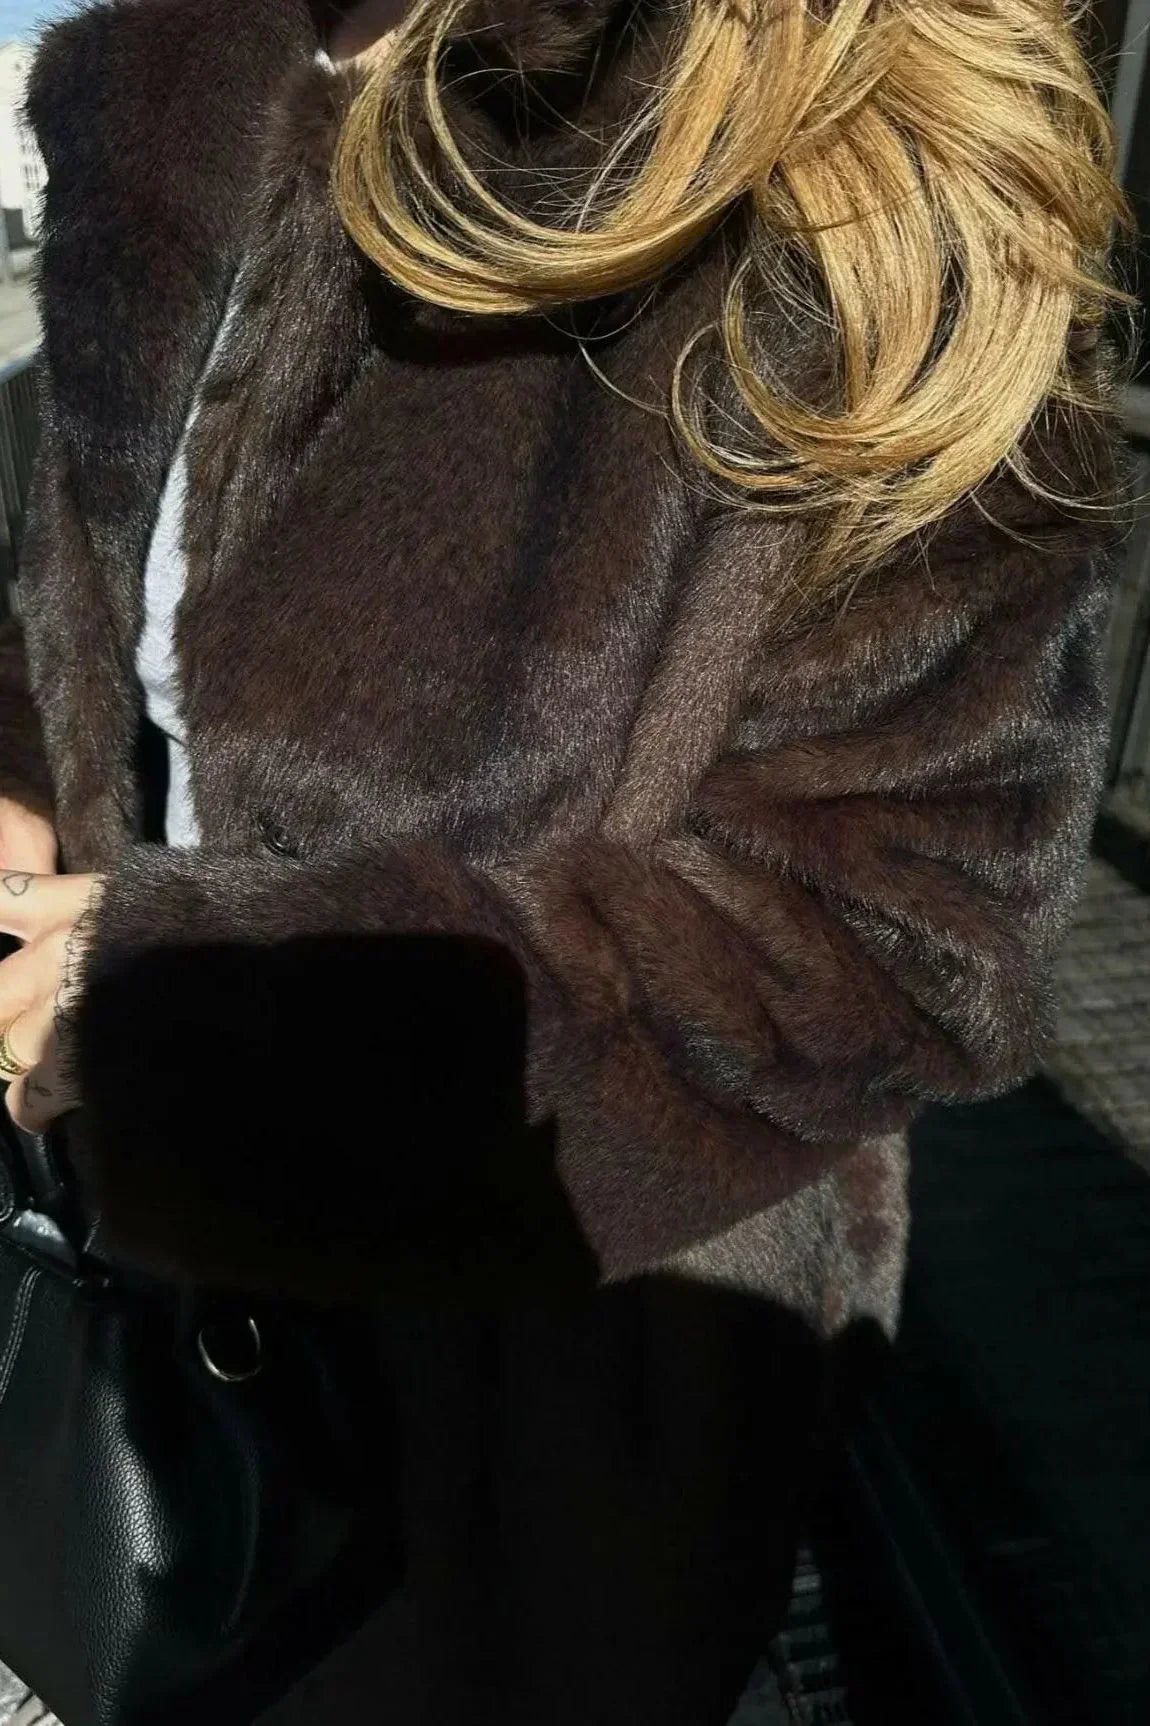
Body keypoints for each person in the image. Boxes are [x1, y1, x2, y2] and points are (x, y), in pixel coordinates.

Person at [0, 1, 1127, 1721]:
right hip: (139, 1325)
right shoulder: (164, 77)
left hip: (529, 1421)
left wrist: (202, 1024)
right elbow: (80, 588)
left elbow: (894, 932)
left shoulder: (839, 173)